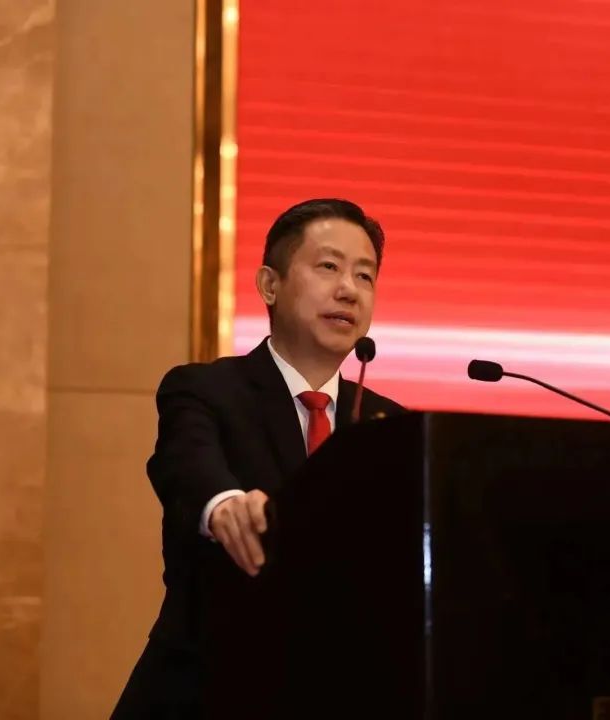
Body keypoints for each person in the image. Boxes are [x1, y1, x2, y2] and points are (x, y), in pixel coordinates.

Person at [111, 198, 404, 719]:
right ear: (270, 284)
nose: (349, 289)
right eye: (329, 267)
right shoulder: (205, 390)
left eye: (365, 275)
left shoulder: (389, 427)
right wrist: (224, 506)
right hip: (206, 694)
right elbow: (185, 464)